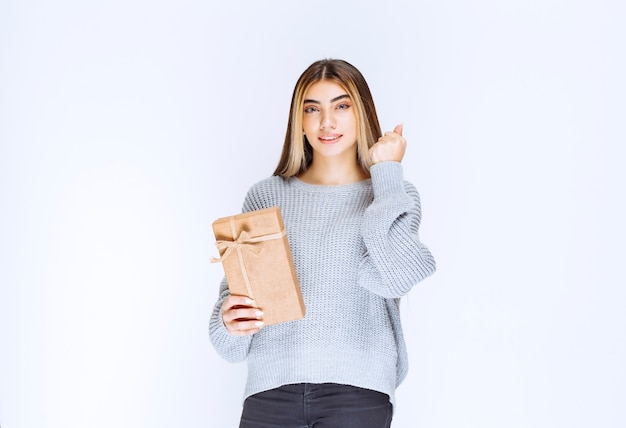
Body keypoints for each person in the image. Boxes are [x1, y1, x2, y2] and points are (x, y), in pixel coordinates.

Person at [209, 58, 436, 428]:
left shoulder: (393, 195)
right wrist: (229, 321)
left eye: (341, 106)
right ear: (298, 120)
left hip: (357, 393)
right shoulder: (266, 196)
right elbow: (230, 339)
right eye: (312, 109)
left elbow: (394, 278)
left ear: (362, 113)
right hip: (270, 393)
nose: (326, 122)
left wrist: (387, 175)